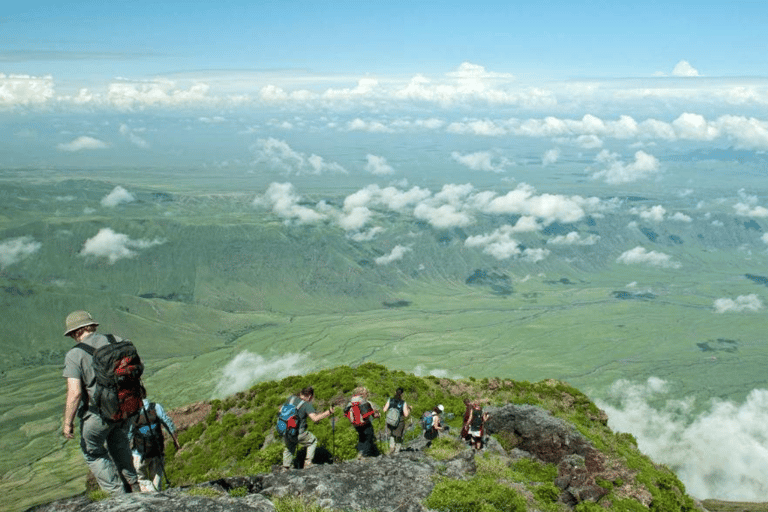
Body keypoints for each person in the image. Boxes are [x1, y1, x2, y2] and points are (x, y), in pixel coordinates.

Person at [61, 310, 140, 494]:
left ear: (76, 332)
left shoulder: (74, 355)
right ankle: (134, 488)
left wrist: (67, 424)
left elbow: (75, 393)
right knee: (119, 444)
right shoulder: (117, 340)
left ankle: (118, 497)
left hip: (98, 415)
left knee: (92, 452)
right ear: (92, 326)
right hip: (125, 407)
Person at [128, 386, 181, 492]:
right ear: (145, 393)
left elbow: (128, 435)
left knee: (141, 479)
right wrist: (176, 441)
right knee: (157, 479)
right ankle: (158, 494)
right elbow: (168, 423)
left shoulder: (131, 413)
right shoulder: (156, 407)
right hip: (157, 450)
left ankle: (154, 497)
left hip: (140, 453)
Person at [282, 386, 334, 470]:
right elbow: (315, 418)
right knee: (312, 441)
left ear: (301, 393)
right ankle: (308, 463)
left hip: (285, 430)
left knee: (289, 447)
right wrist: (329, 412)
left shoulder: (291, 399)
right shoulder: (306, 405)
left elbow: (281, 411)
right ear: (310, 396)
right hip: (298, 433)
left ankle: (285, 467)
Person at [345, 387, 380, 458]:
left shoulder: (350, 402)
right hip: (365, 423)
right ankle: (364, 454)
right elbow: (371, 414)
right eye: (366, 393)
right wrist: (377, 414)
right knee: (368, 437)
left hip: (355, 424)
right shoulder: (365, 402)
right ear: (362, 394)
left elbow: (346, 413)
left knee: (361, 437)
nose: (367, 394)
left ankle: (360, 452)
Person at [382, 387, 410, 454]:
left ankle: (391, 447)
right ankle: (397, 450)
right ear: (402, 394)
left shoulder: (390, 400)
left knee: (392, 434)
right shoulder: (403, 402)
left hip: (390, 420)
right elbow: (406, 414)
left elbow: (384, 410)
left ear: (395, 392)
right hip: (399, 421)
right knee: (399, 435)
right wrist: (409, 409)